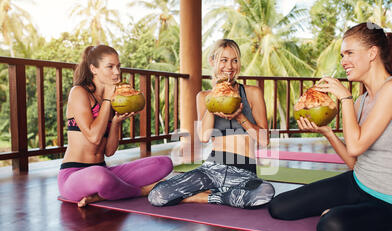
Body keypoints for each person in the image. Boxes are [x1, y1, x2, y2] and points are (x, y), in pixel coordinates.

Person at [269, 22, 392, 231]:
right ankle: (348, 208)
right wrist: (327, 131)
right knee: (279, 207)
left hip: (389, 202)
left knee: (331, 225)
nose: (343, 61)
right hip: (357, 183)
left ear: (372, 53)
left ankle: (344, 211)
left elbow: (356, 145)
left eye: (349, 53)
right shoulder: (361, 101)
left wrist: (344, 98)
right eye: (342, 55)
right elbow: (354, 160)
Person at [149, 39, 275, 208]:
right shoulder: (204, 96)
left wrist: (240, 118)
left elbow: (264, 140)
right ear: (212, 61)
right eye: (223, 60)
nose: (229, 66)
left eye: (234, 60)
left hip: (244, 172)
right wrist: (214, 99)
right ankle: (220, 197)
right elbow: (204, 136)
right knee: (157, 195)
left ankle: (207, 196)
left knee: (265, 193)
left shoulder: (252, 93)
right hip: (211, 169)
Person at [58, 45, 173, 207]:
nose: (117, 72)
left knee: (164, 163)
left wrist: (116, 123)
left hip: (103, 169)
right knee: (100, 176)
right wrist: (106, 99)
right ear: (94, 69)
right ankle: (142, 191)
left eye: (118, 66)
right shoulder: (79, 93)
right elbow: (94, 137)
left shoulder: (113, 100)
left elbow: (109, 151)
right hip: (73, 175)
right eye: (110, 67)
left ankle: (104, 195)